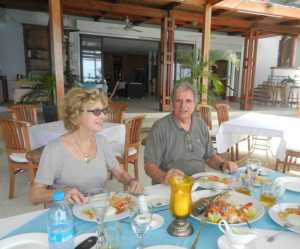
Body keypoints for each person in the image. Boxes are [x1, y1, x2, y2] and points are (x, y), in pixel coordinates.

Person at [29, 88, 143, 205]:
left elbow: (120, 173)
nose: (104, 117)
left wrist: (131, 181)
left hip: (100, 210)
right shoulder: (55, 149)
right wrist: (62, 193)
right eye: (97, 112)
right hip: (68, 215)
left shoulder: (102, 142)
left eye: (104, 111)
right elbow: (35, 195)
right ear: (76, 115)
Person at [144, 82, 238, 184]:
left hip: (199, 185)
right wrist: (164, 177)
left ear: (194, 104)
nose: (183, 106)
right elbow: (149, 165)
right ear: (172, 103)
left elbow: (210, 156)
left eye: (188, 101)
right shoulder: (160, 128)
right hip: (170, 187)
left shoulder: (201, 125)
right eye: (178, 101)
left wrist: (222, 164)